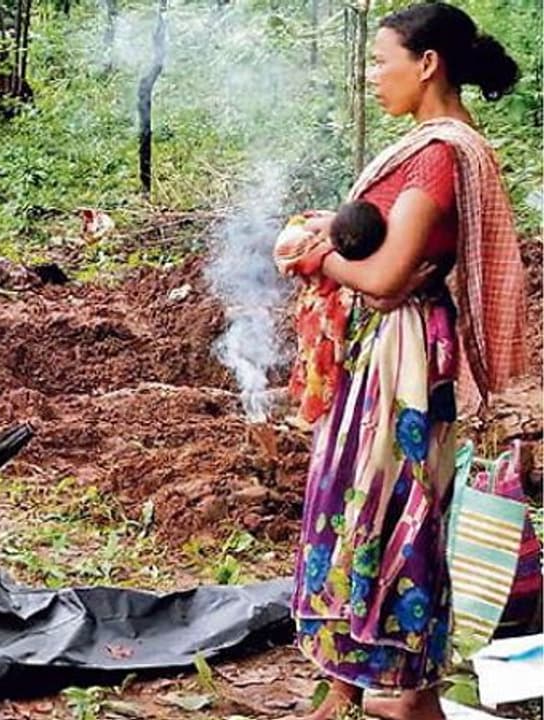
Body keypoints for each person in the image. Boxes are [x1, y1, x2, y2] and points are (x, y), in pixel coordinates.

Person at [289, 4, 526, 720]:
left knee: (391, 512)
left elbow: (391, 276)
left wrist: (316, 255)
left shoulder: (437, 153)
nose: (372, 75)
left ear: (427, 64)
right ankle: (366, 678)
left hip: (406, 358)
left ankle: (393, 675)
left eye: (380, 59)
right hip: (397, 354)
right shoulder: (431, 146)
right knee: (375, 506)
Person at [273, 201, 387, 427]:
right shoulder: (311, 230)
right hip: (317, 309)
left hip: (333, 309)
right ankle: (310, 410)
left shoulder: (361, 247)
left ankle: (316, 414)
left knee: (326, 361)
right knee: (315, 359)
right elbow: (287, 249)